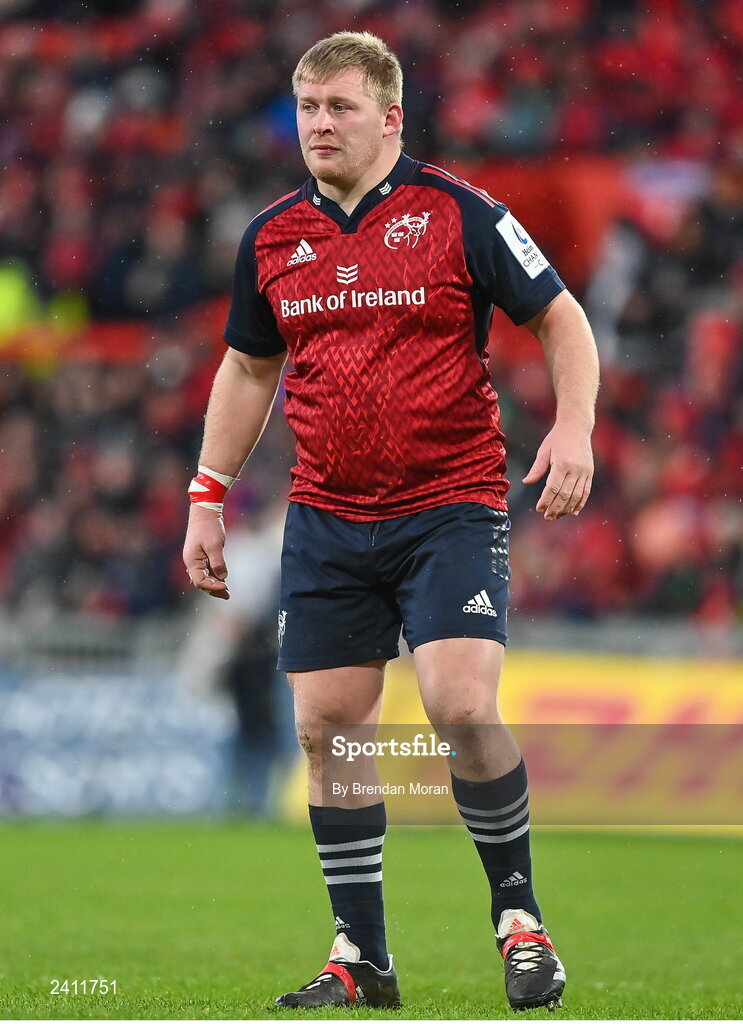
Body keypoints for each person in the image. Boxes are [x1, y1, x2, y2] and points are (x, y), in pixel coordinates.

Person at [183, 31, 599, 1013]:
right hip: (325, 514)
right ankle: (360, 954)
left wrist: (573, 428)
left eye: (339, 107)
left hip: (447, 501)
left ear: (389, 117)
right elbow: (248, 368)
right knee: (329, 731)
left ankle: (520, 923)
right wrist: (207, 495)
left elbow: (561, 319)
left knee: (459, 703)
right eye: (307, 109)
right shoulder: (271, 239)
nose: (319, 125)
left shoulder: (458, 215)